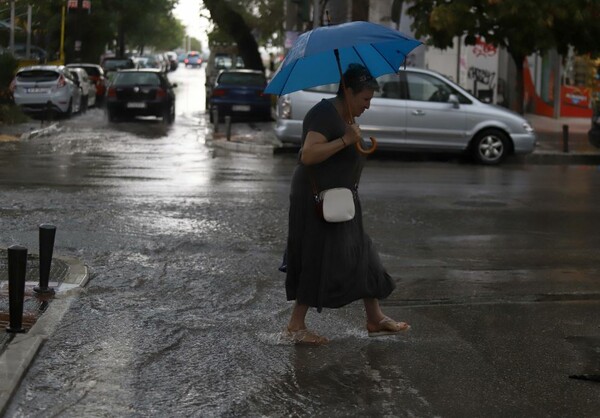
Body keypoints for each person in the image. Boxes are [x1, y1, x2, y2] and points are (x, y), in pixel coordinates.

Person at [283, 63, 410, 345]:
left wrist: (352, 139)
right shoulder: (323, 114)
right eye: (365, 99)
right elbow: (308, 154)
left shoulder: (347, 115)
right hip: (316, 199)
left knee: (362, 250)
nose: (368, 105)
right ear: (349, 92)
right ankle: (295, 325)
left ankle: (374, 318)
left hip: (341, 198)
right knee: (316, 254)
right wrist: (345, 139)